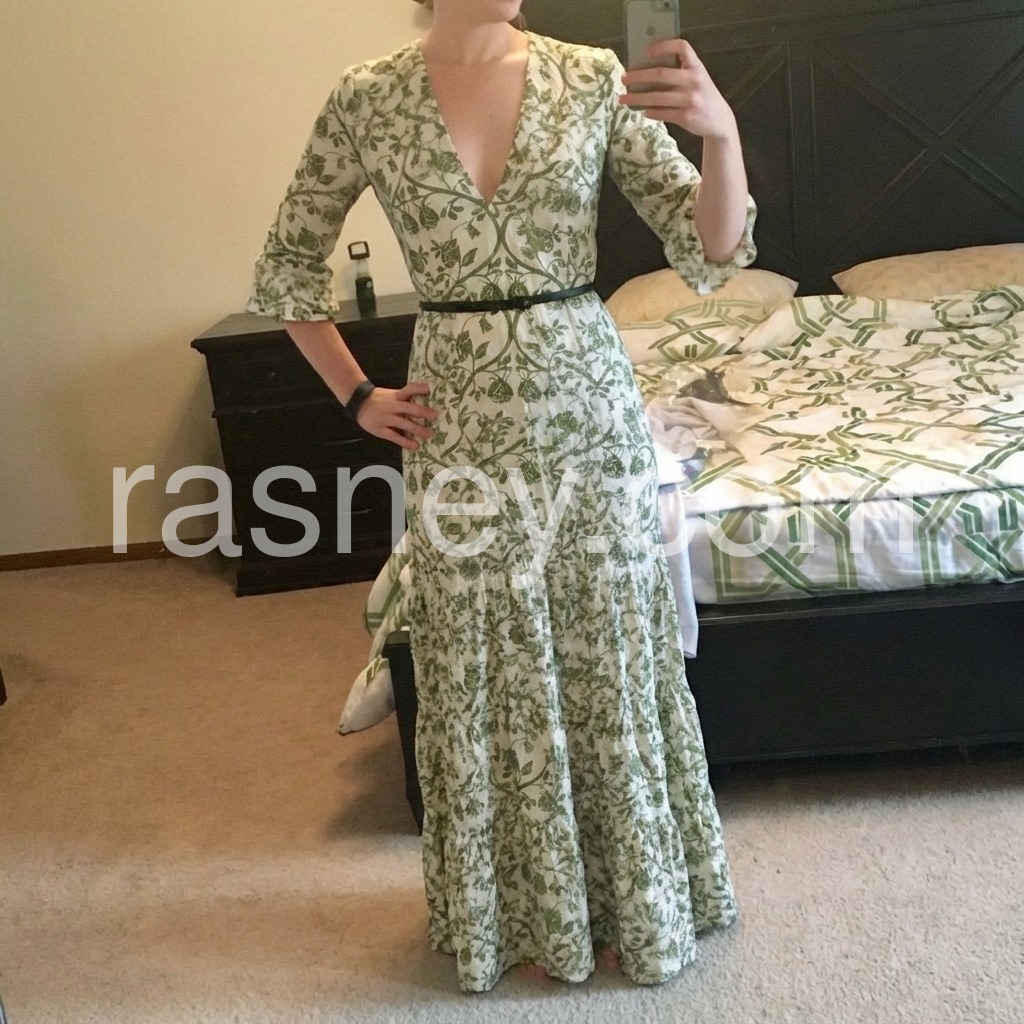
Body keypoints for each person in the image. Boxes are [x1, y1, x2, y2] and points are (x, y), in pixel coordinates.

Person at [246, 0, 757, 994]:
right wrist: (357, 395)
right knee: (480, 661)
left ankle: (634, 903)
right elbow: (286, 266)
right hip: (457, 427)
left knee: (606, 649)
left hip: (586, 416)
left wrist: (722, 134)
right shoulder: (366, 97)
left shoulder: (588, 75)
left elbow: (710, 251)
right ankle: (517, 915)